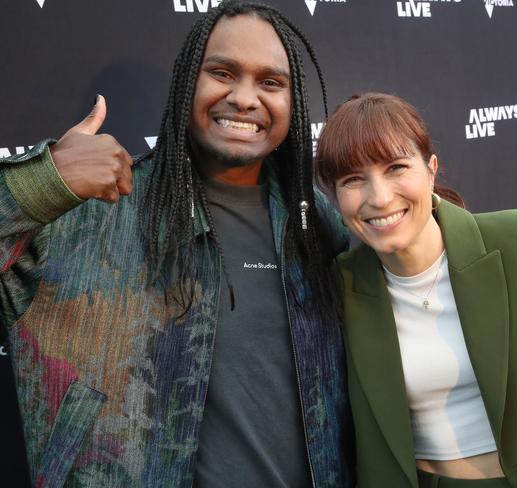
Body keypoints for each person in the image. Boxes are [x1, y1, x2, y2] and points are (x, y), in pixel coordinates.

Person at [0, 2, 354, 487]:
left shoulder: (318, 225)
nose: (245, 98)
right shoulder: (87, 212)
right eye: (222, 73)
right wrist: (44, 183)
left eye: (270, 83)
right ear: (188, 82)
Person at [315, 92, 517, 488]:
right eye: (353, 179)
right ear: (335, 196)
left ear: (431, 169)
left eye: (396, 168)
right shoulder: (339, 287)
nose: (380, 197)